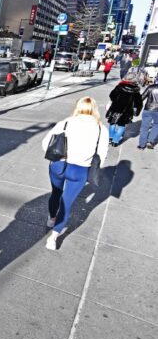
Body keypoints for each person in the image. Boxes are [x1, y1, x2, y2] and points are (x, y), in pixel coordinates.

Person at [41, 97, 109, 250]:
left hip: (59, 165)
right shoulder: (100, 129)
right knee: (67, 202)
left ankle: (51, 219)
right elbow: (102, 154)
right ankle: (53, 238)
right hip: (80, 170)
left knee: (56, 193)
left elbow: (46, 143)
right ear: (94, 109)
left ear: (78, 107)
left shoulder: (65, 122)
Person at [106, 73, 143, 146]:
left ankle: (110, 138)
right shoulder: (136, 90)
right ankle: (115, 141)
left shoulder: (120, 86)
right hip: (127, 111)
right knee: (121, 126)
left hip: (116, 108)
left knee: (113, 123)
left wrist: (116, 100)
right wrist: (137, 111)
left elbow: (112, 96)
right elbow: (138, 103)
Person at [138, 78, 158, 149]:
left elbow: (141, 98)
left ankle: (141, 145)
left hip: (148, 109)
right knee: (156, 126)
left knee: (144, 127)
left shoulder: (151, 87)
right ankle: (150, 142)